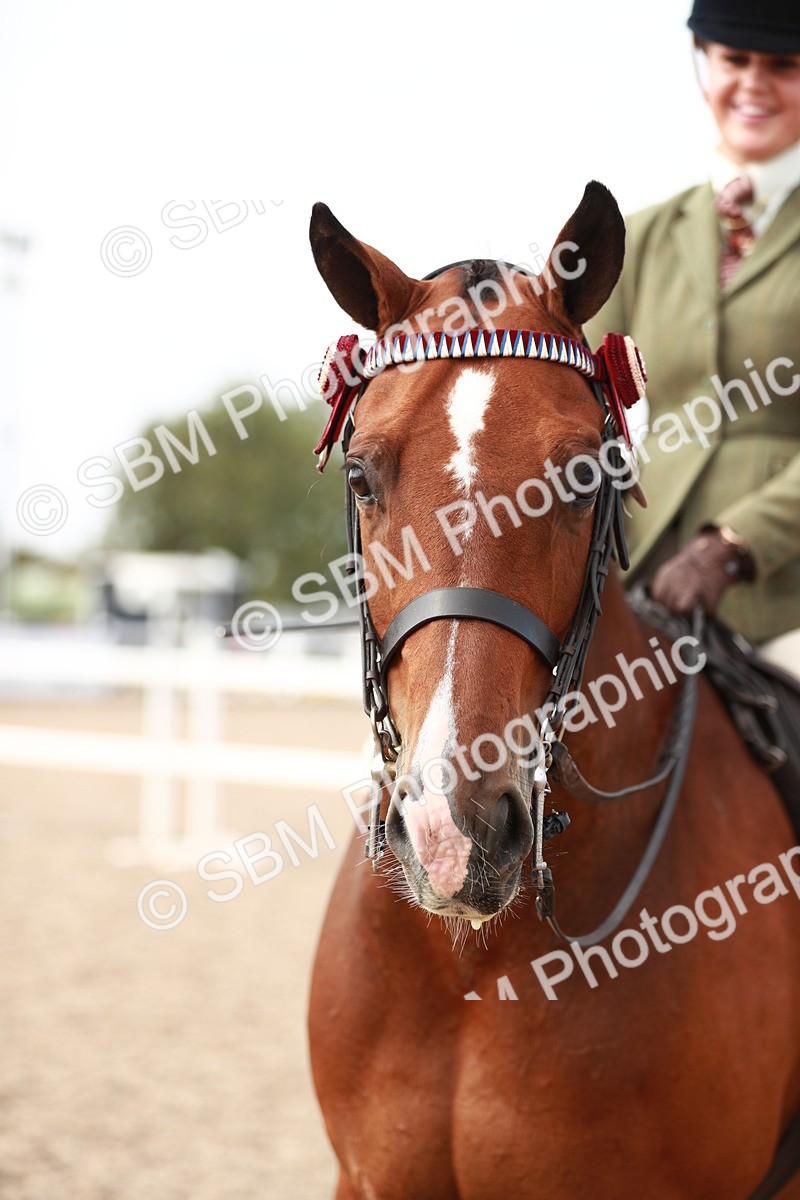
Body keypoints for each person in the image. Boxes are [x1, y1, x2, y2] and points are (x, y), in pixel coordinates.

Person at [585, 0, 800, 668]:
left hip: (786, 598)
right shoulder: (642, 234)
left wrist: (734, 542)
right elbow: (576, 395)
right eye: (735, 60)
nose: (754, 84)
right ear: (704, 64)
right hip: (642, 572)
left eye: (784, 66)